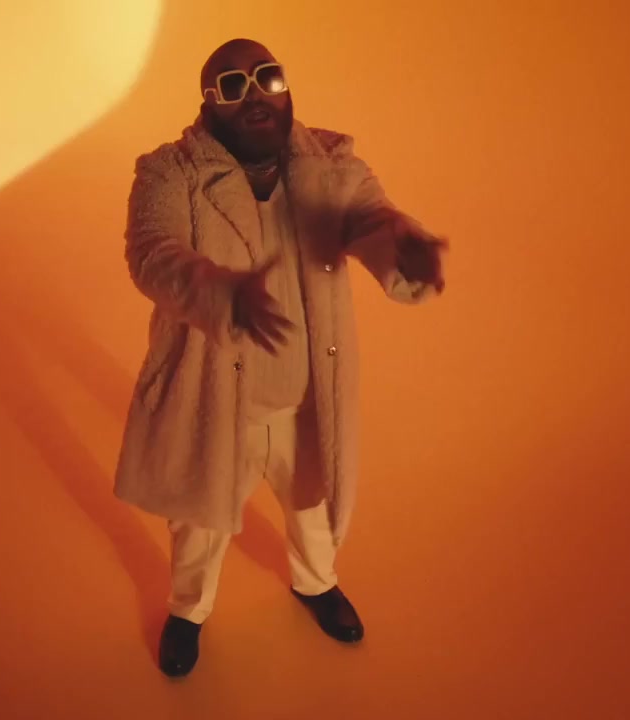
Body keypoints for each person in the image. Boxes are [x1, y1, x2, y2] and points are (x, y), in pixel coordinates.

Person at [114, 38, 447, 678]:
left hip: (304, 399)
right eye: (231, 85)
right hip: (216, 397)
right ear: (208, 103)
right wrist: (217, 292)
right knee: (197, 524)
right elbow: (152, 252)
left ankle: (316, 583)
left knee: (312, 503)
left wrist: (402, 248)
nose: (254, 94)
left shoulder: (331, 164)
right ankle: (188, 610)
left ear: (286, 85)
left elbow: (371, 218)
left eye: (266, 76)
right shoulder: (169, 172)